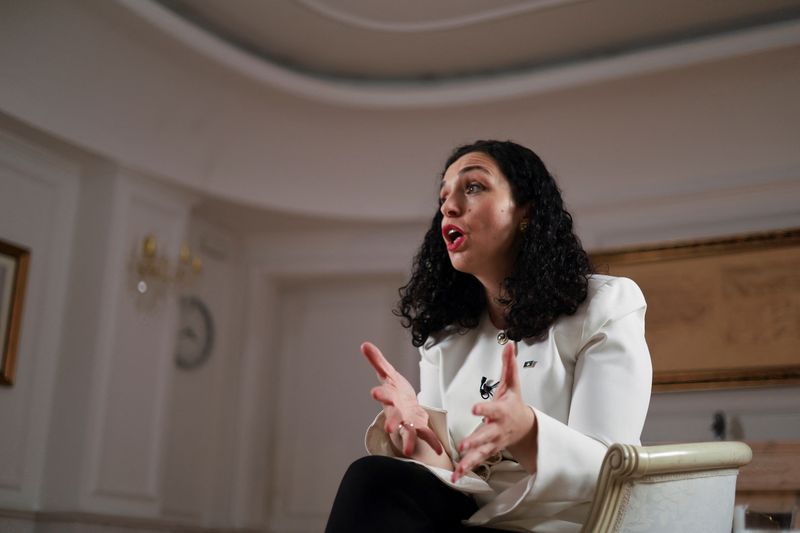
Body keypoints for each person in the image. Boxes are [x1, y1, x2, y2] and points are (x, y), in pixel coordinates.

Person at [325, 140, 652, 532]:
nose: (448, 206)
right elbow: (452, 477)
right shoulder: (444, 339)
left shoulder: (606, 305)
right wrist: (417, 440)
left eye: (473, 187)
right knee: (374, 477)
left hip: (559, 525)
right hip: (470, 518)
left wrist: (528, 432)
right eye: (443, 196)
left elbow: (611, 470)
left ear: (525, 210)